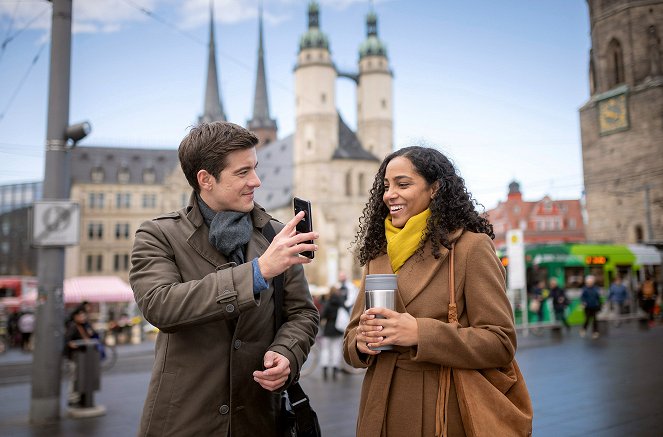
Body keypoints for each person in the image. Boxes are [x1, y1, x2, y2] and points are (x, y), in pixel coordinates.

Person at [130, 121, 319, 437]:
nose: (256, 181)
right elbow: (160, 306)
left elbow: (302, 314)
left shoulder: (275, 233)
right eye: (242, 172)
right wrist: (257, 273)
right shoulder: (158, 234)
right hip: (185, 421)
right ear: (205, 179)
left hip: (259, 420)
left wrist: (287, 352)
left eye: (255, 168)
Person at [343, 146, 530, 436]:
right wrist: (361, 343)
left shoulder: (470, 247)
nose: (390, 194)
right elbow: (351, 339)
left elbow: (501, 342)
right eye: (386, 186)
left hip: (442, 409)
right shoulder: (378, 253)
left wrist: (420, 333)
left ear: (435, 188)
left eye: (403, 184)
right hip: (379, 410)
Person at [64, 308, 99, 407]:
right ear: (75, 317)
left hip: (85, 357)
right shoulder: (73, 327)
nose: (83, 317)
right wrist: (73, 344)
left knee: (83, 377)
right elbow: (68, 341)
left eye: (84, 315)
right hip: (76, 357)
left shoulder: (85, 326)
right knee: (75, 378)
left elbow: (94, 335)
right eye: (80, 316)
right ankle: (73, 398)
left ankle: (81, 397)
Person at [320, 286, 345, 380]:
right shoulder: (340, 303)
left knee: (325, 350)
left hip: (328, 329)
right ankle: (335, 369)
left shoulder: (328, 303)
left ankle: (325, 369)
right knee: (336, 349)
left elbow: (322, 316)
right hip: (338, 329)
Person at [580, 275, 602, 339]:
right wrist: (583, 303)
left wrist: (599, 304)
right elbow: (582, 297)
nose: (590, 283)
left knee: (595, 320)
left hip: (594, 306)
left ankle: (595, 332)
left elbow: (598, 297)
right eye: (589, 282)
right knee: (587, 319)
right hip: (587, 306)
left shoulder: (596, 288)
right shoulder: (585, 289)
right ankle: (583, 329)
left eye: (591, 282)